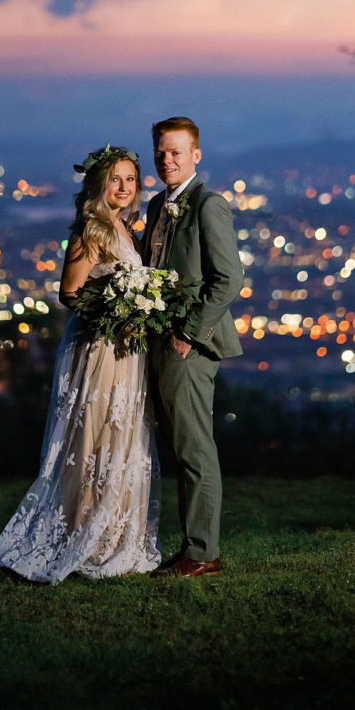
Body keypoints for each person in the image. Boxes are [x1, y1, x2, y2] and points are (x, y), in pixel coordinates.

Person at [0, 145, 161, 583]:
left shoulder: (124, 228)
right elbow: (70, 292)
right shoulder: (91, 230)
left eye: (130, 180)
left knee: (122, 437)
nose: (123, 187)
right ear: (98, 184)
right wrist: (116, 311)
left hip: (127, 351)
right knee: (92, 438)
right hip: (100, 349)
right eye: (115, 179)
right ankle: (82, 535)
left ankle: (116, 537)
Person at [143, 117, 243, 578]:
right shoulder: (156, 207)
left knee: (194, 449)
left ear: (196, 155)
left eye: (177, 152)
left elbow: (228, 280)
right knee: (178, 448)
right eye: (161, 152)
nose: (168, 160)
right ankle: (191, 548)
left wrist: (188, 334)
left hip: (190, 346)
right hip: (160, 342)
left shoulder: (208, 204)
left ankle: (203, 554)